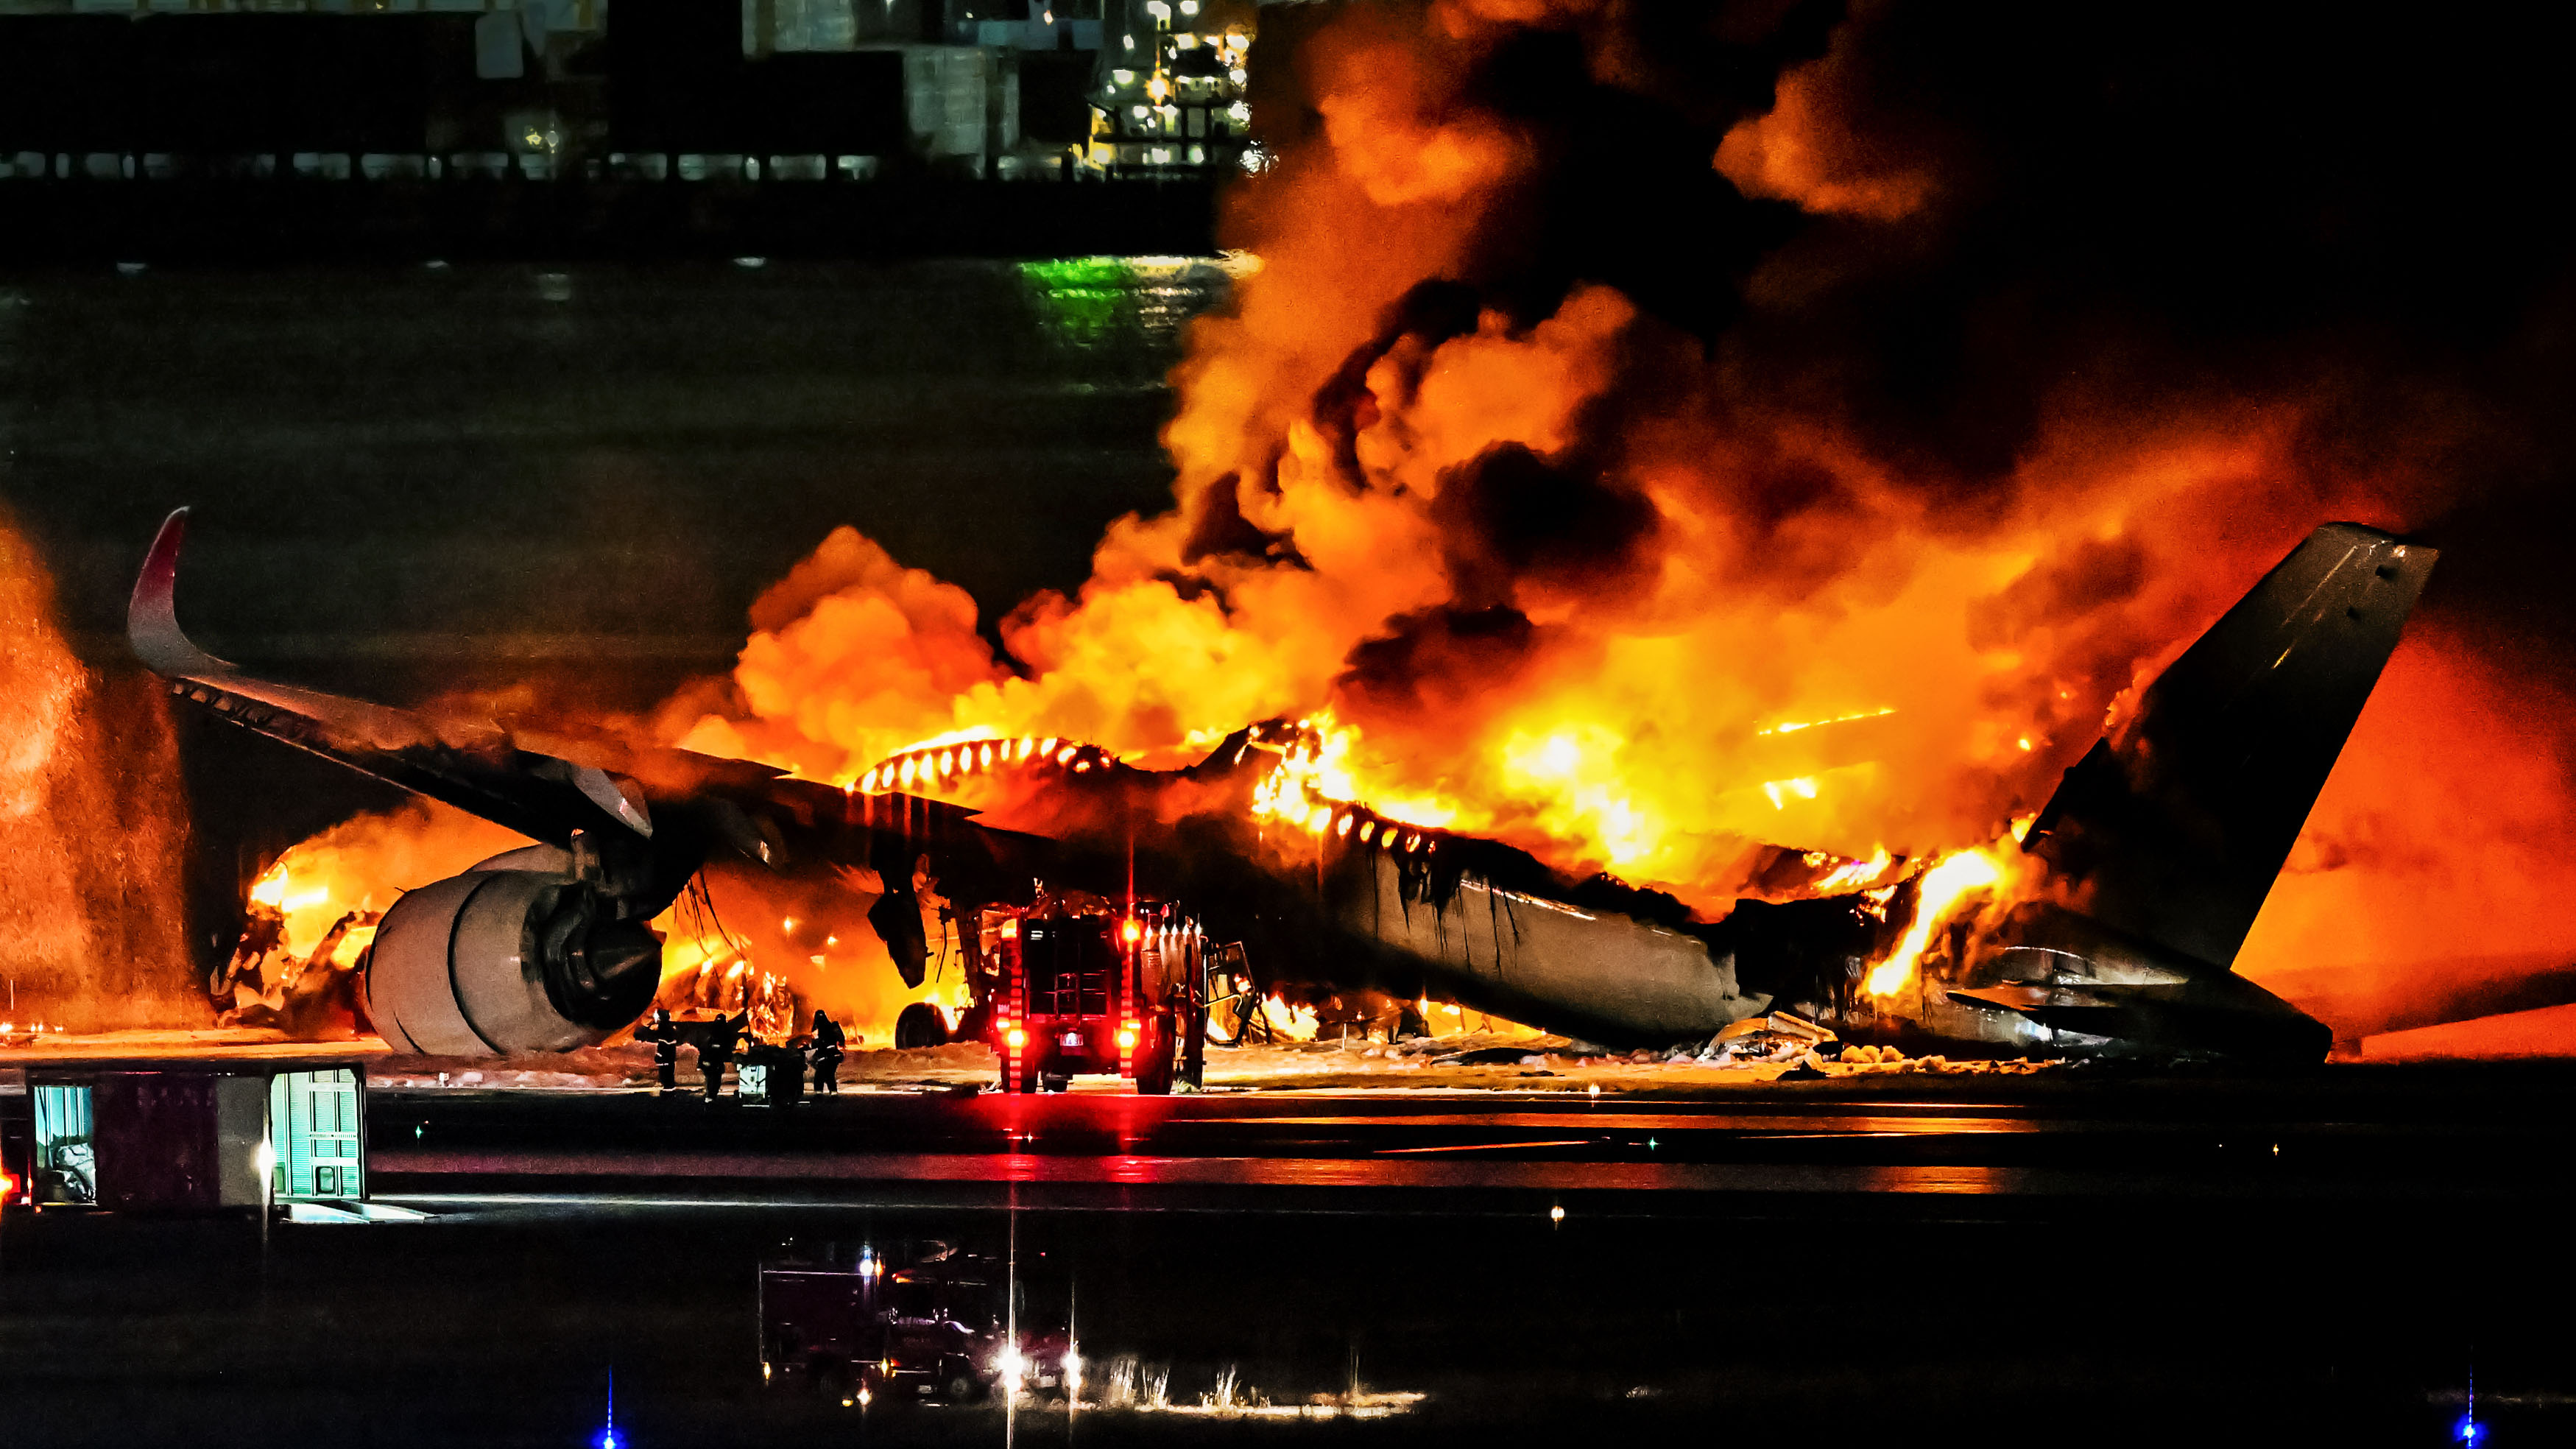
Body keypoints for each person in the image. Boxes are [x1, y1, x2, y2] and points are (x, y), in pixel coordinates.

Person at [699, 1011, 744, 1102]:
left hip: (709, 1060)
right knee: (714, 1079)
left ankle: (709, 1096)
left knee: (710, 1078)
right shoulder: (724, 1032)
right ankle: (711, 1097)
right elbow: (727, 1046)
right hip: (715, 1060)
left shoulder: (711, 1032)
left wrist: (702, 1061)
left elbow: (704, 1047)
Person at [635, 1008, 682, 1093]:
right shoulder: (669, 1027)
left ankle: (668, 1092)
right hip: (668, 1056)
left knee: (666, 1073)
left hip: (665, 1055)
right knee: (668, 1073)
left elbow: (658, 1037)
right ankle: (669, 1090)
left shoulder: (664, 1028)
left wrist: (644, 1033)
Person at [809, 1009, 847, 1096]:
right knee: (829, 1075)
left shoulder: (818, 1030)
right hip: (832, 1056)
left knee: (820, 1076)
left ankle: (820, 1094)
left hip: (825, 1057)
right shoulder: (831, 1027)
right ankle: (832, 1093)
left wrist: (811, 1044)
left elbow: (816, 1044)